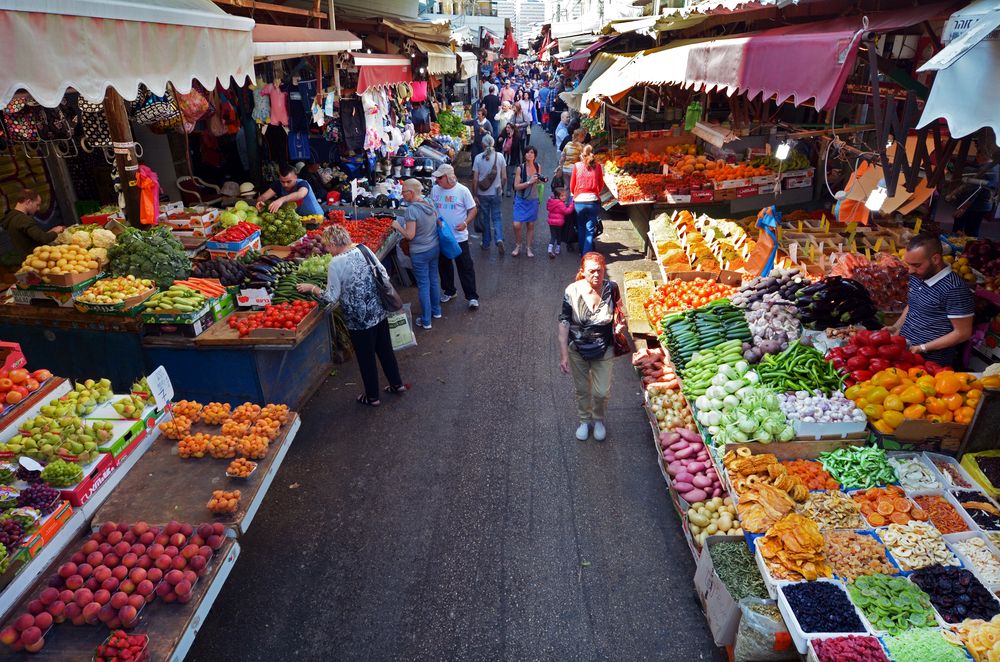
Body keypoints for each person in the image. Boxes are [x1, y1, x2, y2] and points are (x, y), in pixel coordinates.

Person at [296, 225, 407, 407]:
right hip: (378, 310)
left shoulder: (335, 263)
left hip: (358, 320)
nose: (327, 250)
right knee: (385, 349)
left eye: (327, 246)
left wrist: (312, 288)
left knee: (366, 358)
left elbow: (331, 298)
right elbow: (383, 274)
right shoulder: (364, 249)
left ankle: (372, 397)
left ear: (333, 244)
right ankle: (397, 384)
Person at [558, 252, 626, 441]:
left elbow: (619, 310)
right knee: (581, 389)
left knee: (601, 391)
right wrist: (563, 354)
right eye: (591, 271)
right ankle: (584, 420)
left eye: (600, 271)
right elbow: (564, 321)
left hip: (604, 347)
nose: (596, 275)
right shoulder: (572, 291)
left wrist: (620, 323)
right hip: (577, 348)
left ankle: (598, 419)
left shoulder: (611, 288)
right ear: (583, 272)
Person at [888, 234, 975, 368]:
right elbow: (913, 305)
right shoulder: (919, 275)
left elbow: (962, 333)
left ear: (935, 259)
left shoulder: (954, 289)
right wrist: (895, 328)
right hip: (906, 353)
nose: (910, 271)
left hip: (931, 363)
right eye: (909, 264)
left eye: (916, 265)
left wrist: (922, 348)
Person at [391, 179, 440, 329]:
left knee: (423, 285)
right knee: (434, 279)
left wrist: (397, 226)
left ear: (411, 193)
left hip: (420, 252)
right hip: (434, 247)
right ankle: (436, 311)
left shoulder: (411, 210)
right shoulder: (429, 202)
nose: (402, 194)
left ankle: (426, 321)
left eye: (404, 191)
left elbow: (410, 235)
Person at [430, 164, 480, 310]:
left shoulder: (462, 191)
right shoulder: (435, 189)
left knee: (465, 267)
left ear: (448, 177)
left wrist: (465, 223)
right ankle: (449, 290)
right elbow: (433, 208)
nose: (437, 180)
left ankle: (471, 296)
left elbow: (473, 209)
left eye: (440, 177)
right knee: (444, 265)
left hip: (459, 237)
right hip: (441, 236)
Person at [1, 189, 63, 261]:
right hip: (34, 260)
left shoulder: (12, 217)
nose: (38, 208)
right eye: (37, 205)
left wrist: (50, 232)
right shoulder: (22, 219)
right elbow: (43, 239)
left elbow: (32, 238)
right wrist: (56, 231)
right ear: (28, 202)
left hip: (27, 261)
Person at [472, 134, 506, 254]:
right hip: (496, 192)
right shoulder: (500, 157)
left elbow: (475, 179)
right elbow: (504, 177)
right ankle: (499, 238)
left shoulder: (478, 158)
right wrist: (500, 188)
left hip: (482, 193)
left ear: (483, 145)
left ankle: (486, 242)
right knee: (497, 217)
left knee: (485, 218)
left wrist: (475, 195)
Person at [570, 145, 605, 255]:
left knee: (581, 227)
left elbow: (572, 185)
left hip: (579, 202)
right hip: (593, 202)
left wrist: (574, 195)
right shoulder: (598, 167)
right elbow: (601, 185)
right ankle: (587, 253)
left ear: (581, 155)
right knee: (590, 229)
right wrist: (595, 192)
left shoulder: (576, 166)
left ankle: (582, 252)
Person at [511, 146, 543, 258]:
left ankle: (528, 248)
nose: (529, 154)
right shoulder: (520, 168)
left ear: (535, 155)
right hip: (521, 199)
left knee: (530, 225)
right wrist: (529, 182)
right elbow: (516, 186)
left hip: (533, 200)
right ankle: (518, 245)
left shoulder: (538, 166)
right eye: (527, 153)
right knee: (516, 224)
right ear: (524, 155)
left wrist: (541, 180)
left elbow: (538, 183)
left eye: (532, 153)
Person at [256, 163, 324, 216]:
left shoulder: (302, 183)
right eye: (282, 182)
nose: (285, 184)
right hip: (300, 219)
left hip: (316, 218)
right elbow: (263, 197)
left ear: (295, 177)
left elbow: (300, 194)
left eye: (289, 181)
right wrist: (260, 202)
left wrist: (281, 200)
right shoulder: (278, 184)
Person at [546, 183, 574, 258]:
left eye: (565, 195)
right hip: (559, 223)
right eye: (562, 196)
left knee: (553, 236)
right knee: (559, 236)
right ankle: (558, 249)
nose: (564, 197)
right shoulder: (560, 204)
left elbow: (548, 208)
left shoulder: (551, 201)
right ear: (557, 196)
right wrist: (572, 205)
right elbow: (566, 211)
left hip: (551, 223)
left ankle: (550, 248)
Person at [500, 122, 523, 197]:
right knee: (502, 175)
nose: (507, 129)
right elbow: (498, 144)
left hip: (511, 158)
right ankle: (501, 189)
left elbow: (517, 149)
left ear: (512, 129)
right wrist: (500, 140)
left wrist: (519, 161)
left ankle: (508, 190)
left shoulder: (516, 137)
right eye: (506, 127)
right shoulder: (503, 135)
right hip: (503, 157)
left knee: (509, 175)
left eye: (509, 128)